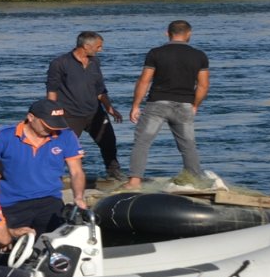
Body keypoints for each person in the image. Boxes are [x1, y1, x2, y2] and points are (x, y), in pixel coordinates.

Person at [124, 20, 210, 190]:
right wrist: (195, 105)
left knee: (142, 142)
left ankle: (134, 181)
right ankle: (194, 178)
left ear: (167, 33)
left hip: (157, 103)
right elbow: (203, 85)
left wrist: (135, 105)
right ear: (189, 34)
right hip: (185, 105)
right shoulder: (199, 55)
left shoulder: (156, 53)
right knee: (188, 145)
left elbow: (144, 80)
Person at [0, 98, 88, 235]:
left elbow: (76, 172)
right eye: (46, 124)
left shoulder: (66, 135)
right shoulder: (4, 137)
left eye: (55, 124)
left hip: (50, 200)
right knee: (8, 248)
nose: (51, 128)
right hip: (11, 203)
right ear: (31, 117)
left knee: (52, 244)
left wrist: (78, 196)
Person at [46, 31, 124, 180]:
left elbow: (100, 89)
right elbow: (52, 90)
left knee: (109, 142)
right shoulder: (60, 63)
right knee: (63, 148)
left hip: (95, 112)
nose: (100, 50)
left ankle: (114, 173)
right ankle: (56, 176)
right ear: (86, 46)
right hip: (69, 114)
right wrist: (52, 114)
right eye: (98, 47)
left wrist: (110, 108)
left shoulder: (95, 62)